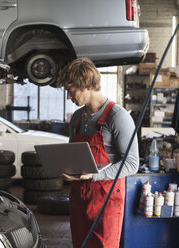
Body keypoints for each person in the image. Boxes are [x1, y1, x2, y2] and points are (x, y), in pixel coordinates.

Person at [57, 57, 139, 248]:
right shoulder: (77, 118)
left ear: (87, 86)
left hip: (106, 199)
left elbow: (132, 163)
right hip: (79, 195)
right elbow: (73, 154)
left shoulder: (117, 116)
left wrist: (95, 175)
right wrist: (63, 166)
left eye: (71, 91)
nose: (69, 97)